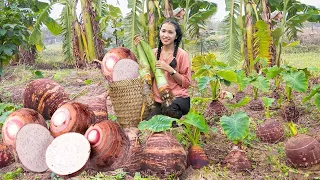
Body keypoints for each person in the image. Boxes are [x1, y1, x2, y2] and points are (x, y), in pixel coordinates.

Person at [148, 18, 191, 120]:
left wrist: (170, 69)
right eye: (163, 31)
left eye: (170, 32)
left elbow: (186, 83)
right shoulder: (153, 53)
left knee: (169, 109)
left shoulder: (182, 55)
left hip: (178, 98)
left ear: (176, 36)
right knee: (149, 122)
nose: (165, 35)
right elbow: (150, 77)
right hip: (159, 99)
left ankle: (179, 124)